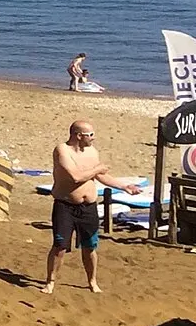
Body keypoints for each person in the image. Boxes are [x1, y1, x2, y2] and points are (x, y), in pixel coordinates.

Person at [42, 120, 131, 294]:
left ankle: (92, 281)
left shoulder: (92, 152)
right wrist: (97, 169)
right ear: (78, 135)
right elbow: (75, 177)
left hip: (88, 207)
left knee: (90, 246)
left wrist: (123, 186)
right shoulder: (62, 150)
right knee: (60, 246)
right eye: (90, 135)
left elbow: (100, 176)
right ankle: (50, 281)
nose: (93, 138)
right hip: (65, 205)